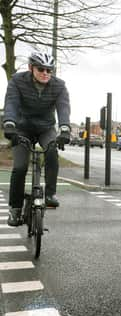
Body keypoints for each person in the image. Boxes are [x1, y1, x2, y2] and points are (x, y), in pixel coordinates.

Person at [2, 52, 70, 226]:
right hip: (22, 128)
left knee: (52, 151)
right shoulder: (17, 81)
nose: (45, 73)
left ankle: (50, 194)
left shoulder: (59, 86)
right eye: (41, 69)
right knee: (20, 167)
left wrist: (64, 129)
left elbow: (63, 107)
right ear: (31, 68)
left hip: (45, 127)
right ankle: (15, 209)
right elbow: (11, 103)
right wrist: (9, 124)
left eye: (49, 70)